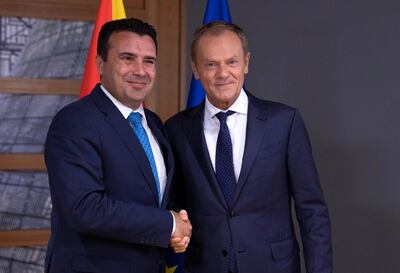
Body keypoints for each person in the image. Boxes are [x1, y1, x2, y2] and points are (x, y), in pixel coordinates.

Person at [165, 22, 332, 273]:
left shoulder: (283, 122)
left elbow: (311, 210)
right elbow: (174, 202)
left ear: (246, 63)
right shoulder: (176, 130)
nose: (223, 73)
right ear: (196, 69)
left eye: (231, 62)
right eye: (211, 64)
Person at [44, 18, 191, 273]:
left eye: (149, 61)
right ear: (100, 64)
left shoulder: (154, 123)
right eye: (127, 58)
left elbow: (155, 195)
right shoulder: (75, 121)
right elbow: (84, 207)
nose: (140, 70)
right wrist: (167, 223)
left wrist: (178, 223)